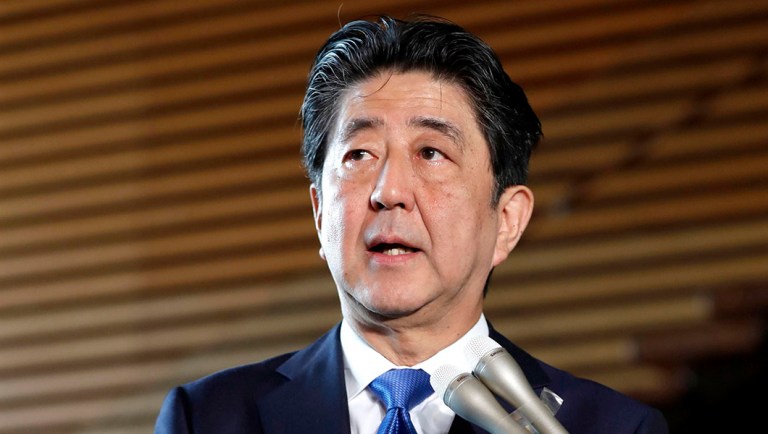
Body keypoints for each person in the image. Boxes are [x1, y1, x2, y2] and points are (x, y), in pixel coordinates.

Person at [154, 15, 669, 434]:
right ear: (318, 213)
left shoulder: (609, 427)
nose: (389, 193)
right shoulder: (208, 418)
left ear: (507, 221)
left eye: (431, 152)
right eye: (359, 153)